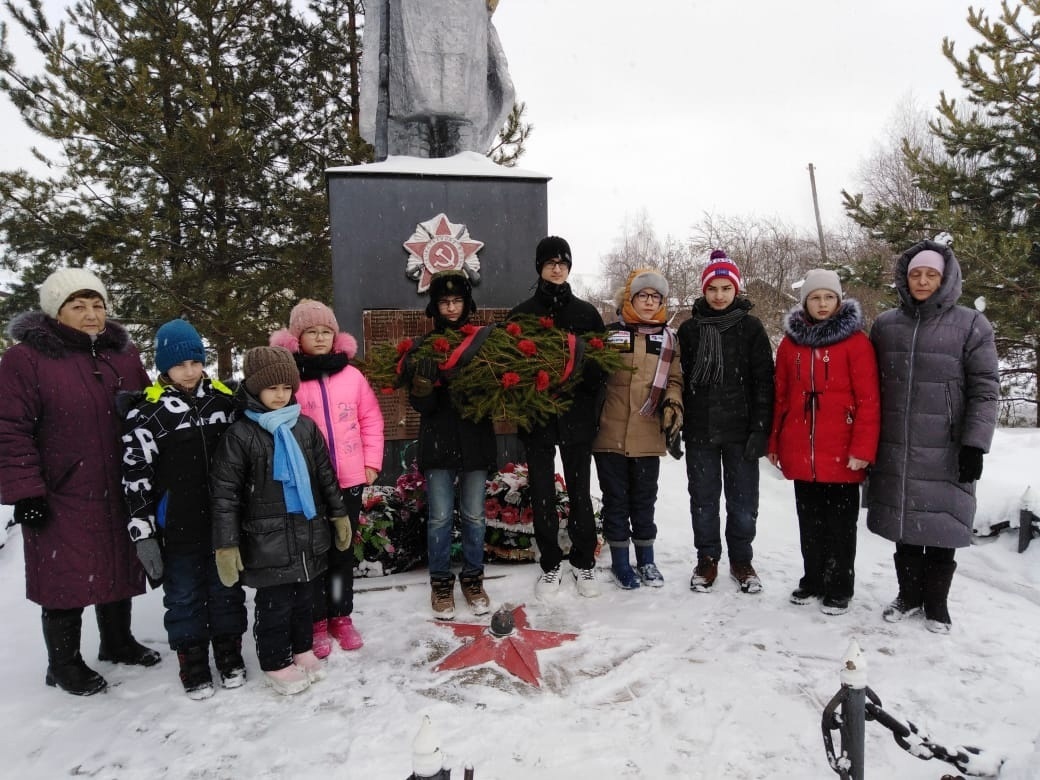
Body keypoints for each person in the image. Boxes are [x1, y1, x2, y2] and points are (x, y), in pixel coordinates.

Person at [0, 267, 160, 696]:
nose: (91, 314)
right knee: (64, 577)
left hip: (120, 483)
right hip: (61, 489)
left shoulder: (122, 355)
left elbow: (147, 412)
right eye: (78, 305)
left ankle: (117, 642)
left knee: (117, 562)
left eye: (97, 305)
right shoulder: (25, 359)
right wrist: (24, 490)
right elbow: (9, 427)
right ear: (55, 311)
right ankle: (64, 664)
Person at [866, 241, 999, 634]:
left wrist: (976, 442)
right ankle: (908, 595)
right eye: (915, 274)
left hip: (948, 443)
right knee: (905, 522)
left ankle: (936, 603)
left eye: (931, 275)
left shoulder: (972, 325)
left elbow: (986, 387)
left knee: (942, 523)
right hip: (898, 442)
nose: (922, 281)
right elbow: (870, 387)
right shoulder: (887, 324)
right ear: (905, 278)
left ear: (946, 279)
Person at [209, 346, 352, 695]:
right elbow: (225, 494)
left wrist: (338, 514)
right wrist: (226, 543)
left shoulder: (304, 427)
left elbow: (325, 476)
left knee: (305, 599)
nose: (280, 394)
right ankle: (275, 661)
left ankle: (301, 649)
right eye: (271, 388)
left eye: (286, 387)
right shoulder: (241, 435)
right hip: (266, 539)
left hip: (306, 533)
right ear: (255, 388)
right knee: (275, 606)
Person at [121, 319, 248, 699]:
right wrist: (142, 532)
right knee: (183, 597)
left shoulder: (225, 401)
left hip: (224, 523)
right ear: (163, 367)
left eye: (195, 362)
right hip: (176, 527)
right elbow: (135, 477)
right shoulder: (148, 413)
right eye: (179, 365)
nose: (189, 371)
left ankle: (229, 655)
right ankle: (192, 662)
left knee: (228, 590)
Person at [271, 299, 384, 653]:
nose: (319, 339)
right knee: (313, 554)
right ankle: (316, 620)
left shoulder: (352, 375)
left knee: (341, 551)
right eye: (311, 332)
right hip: (308, 484)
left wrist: (371, 462)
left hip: (348, 480)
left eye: (325, 332)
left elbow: (370, 419)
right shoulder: (290, 379)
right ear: (296, 337)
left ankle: (340, 615)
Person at [766, 270, 880, 615]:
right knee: (810, 523)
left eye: (829, 297)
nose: (822, 303)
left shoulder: (857, 343)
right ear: (805, 302)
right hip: (802, 451)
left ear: (838, 300)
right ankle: (813, 579)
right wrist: (774, 440)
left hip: (842, 455)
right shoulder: (791, 344)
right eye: (815, 297)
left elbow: (869, 401)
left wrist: (862, 450)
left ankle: (840, 586)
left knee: (841, 528)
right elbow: (781, 396)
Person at [509, 236, 607, 600]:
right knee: (543, 493)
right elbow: (511, 371)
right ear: (540, 267)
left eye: (562, 262)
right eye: (550, 262)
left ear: (569, 268)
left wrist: (582, 389)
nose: (556, 267)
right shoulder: (522, 314)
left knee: (580, 492)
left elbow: (601, 366)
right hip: (537, 420)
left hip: (576, 419)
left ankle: (584, 562)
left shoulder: (586, 314)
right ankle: (550, 564)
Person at [678, 250, 774, 594]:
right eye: (713, 288)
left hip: (741, 431)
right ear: (704, 290)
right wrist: (677, 424)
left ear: (736, 290)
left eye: (725, 288)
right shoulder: (689, 330)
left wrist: (761, 429)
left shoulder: (751, 328)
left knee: (744, 502)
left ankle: (741, 560)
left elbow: (765, 381)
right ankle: (707, 559)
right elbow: (680, 380)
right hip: (702, 431)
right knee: (703, 500)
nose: (719, 295)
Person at [404, 271, 497, 619]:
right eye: (445, 301)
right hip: (439, 443)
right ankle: (440, 584)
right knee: (440, 518)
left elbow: (493, 396)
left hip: (475, 443)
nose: (452, 307)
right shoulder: (423, 349)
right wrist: (423, 389)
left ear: (467, 304)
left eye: (457, 301)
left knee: (474, 516)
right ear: (435, 306)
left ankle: (473, 579)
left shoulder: (485, 345)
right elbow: (422, 407)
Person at [592, 268, 683, 589]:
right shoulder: (610, 334)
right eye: (642, 295)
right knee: (615, 500)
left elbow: (674, 379)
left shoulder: (669, 338)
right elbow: (594, 378)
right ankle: (620, 564)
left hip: (647, 433)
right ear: (630, 299)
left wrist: (673, 403)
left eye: (655, 297)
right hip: (609, 434)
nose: (648, 301)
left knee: (644, 500)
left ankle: (647, 561)